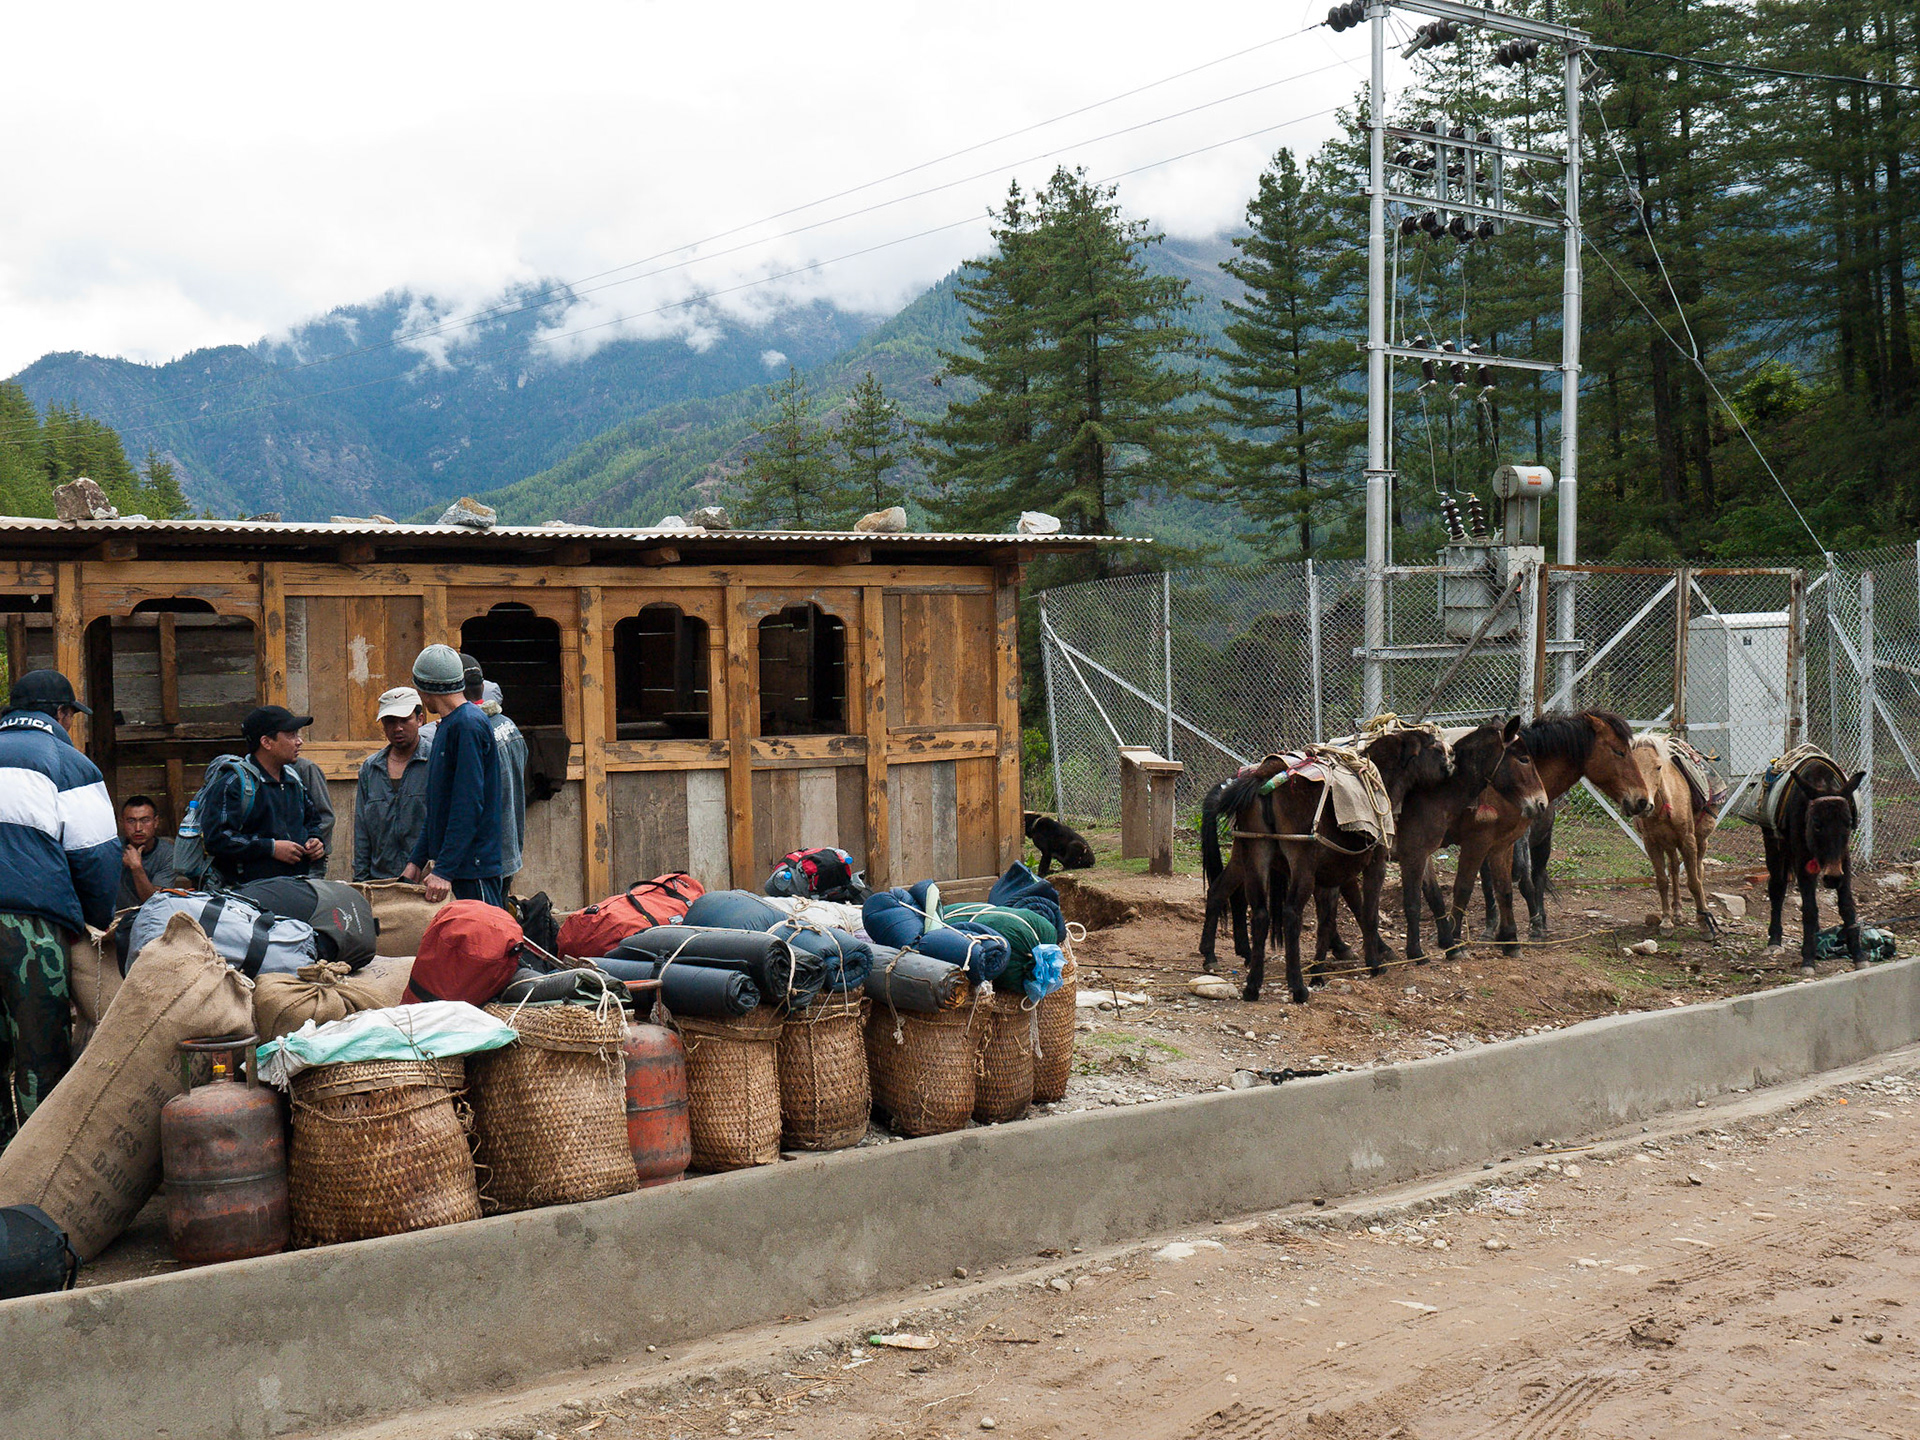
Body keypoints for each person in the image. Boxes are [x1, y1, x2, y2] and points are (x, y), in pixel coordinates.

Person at [0, 670, 119, 1144]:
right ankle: (35, 1173)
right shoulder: (69, 764)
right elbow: (96, 858)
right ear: (62, 714)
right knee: (40, 1057)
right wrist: (93, 923)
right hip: (29, 927)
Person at [404, 644, 502, 906]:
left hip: (473, 869)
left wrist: (444, 870)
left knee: (484, 932)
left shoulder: (468, 725)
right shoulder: (448, 726)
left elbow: (467, 803)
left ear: (426, 689)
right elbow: (439, 806)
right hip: (458, 868)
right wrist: (416, 861)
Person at [200, 705, 327, 886]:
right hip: (248, 893)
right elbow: (217, 839)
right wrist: (271, 848)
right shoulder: (233, 784)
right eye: (291, 735)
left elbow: (313, 821)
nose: (299, 741)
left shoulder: (293, 780)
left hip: (297, 888)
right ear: (266, 742)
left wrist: (315, 841)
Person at [353, 686, 433, 882]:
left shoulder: (435, 761)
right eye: (390, 721)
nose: (398, 728)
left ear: (420, 719)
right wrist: (361, 880)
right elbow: (362, 830)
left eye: (405, 720)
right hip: (381, 880)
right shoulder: (371, 768)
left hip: (426, 880)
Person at [461, 656, 528, 886]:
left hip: (483, 859)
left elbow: (469, 801)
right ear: (482, 686)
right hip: (508, 848)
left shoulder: (472, 733)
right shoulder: (508, 725)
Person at [117, 794, 176, 909]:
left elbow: (155, 903)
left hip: (152, 915)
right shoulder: (113, 850)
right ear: (122, 823)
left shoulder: (167, 854)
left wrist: (136, 868)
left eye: (145, 820)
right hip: (116, 916)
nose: (138, 828)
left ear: (156, 822)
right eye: (131, 821)